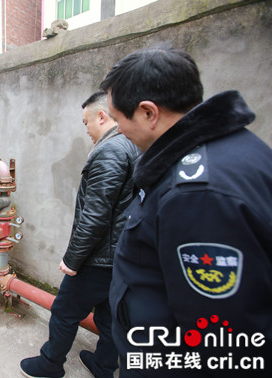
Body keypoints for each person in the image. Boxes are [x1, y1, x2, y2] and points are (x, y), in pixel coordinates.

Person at [100, 46, 272, 377]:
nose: (119, 130)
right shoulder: (233, 149)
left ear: (149, 113)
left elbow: (222, 342)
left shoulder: (195, 194)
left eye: (120, 119)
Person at [19, 92, 139, 377]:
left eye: (86, 122)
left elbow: (96, 215)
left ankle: (50, 364)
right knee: (110, 316)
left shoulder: (110, 150)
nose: (85, 128)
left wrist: (73, 260)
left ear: (102, 116)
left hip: (98, 257)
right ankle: (103, 366)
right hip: (120, 254)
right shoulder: (131, 145)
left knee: (64, 311)